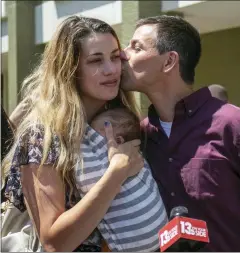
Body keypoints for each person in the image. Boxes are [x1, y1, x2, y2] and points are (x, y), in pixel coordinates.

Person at [120, 15, 240, 251]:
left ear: (169, 61)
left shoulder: (235, 126)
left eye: (136, 47)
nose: (123, 53)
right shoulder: (140, 137)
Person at [2, 16, 147, 252]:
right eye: (95, 61)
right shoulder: (43, 136)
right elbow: (54, 243)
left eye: (114, 57)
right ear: (70, 68)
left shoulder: (121, 123)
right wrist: (116, 173)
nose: (111, 70)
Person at [85, 107, 168, 251]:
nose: (90, 140)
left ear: (118, 139)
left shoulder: (137, 158)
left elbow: (87, 181)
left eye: (94, 136)